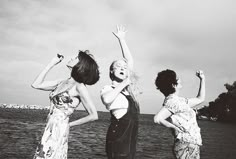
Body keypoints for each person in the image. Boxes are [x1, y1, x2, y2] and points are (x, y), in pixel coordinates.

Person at [32, 50, 100, 159]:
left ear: (80, 65)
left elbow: (93, 115)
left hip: (59, 129)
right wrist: (51, 64)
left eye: (76, 57)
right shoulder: (61, 82)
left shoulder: (80, 87)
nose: (72, 57)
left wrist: (69, 125)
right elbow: (36, 84)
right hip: (49, 126)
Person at [101, 25, 140, 159]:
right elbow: (106, 100)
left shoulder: (128, 91)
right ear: (111, 71)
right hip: (117, 143)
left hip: (130, 144)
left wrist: (122, 40)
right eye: (118, 66)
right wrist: (125, 82)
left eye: (125, 67)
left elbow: (130, 61)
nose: (123, 68)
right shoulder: (108, 89)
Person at [154, 69, 205, 159]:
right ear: (173, 85)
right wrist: (174, 127)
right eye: (177, 78)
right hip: (186, 145)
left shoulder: (179, 101)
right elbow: (157, 118)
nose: (180, 79)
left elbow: (200, 99)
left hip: (190, 144)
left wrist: (202, 79)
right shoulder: (172, 102)